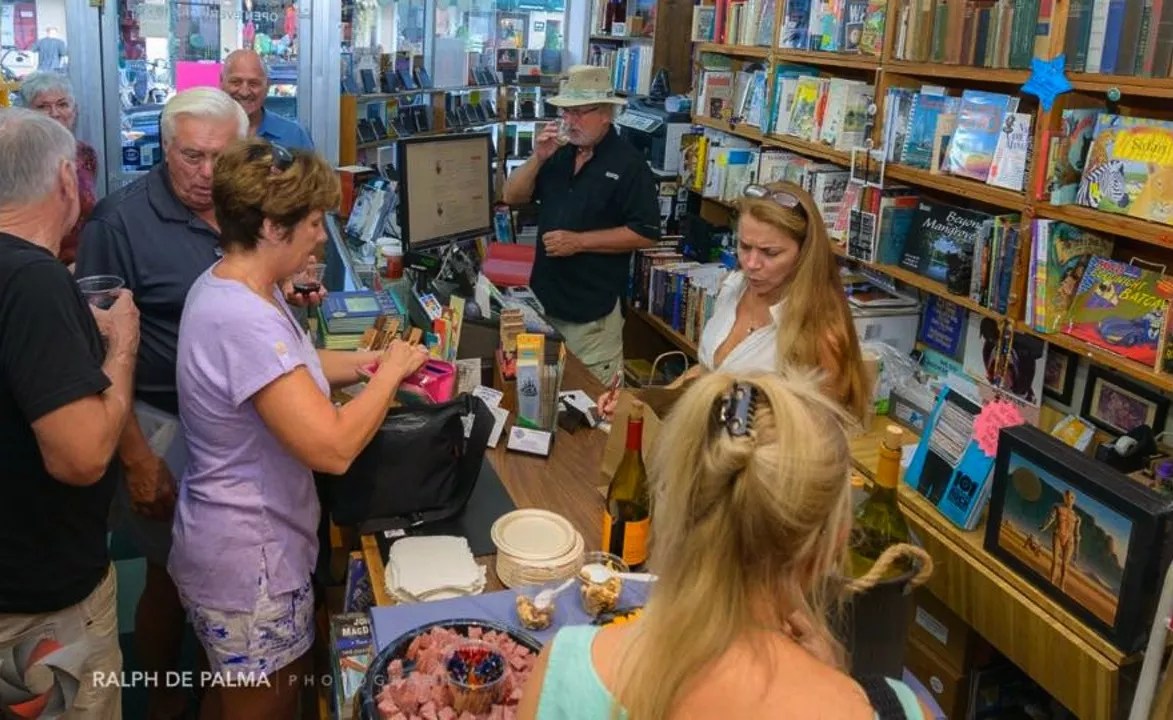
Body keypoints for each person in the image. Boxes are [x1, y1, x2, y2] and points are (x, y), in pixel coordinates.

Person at [171, 139, 428, 719]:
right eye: (312, 222)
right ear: (270, 227)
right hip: (249, 564)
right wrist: (388, 377)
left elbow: (294, 369)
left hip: (237, 544)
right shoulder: (242, 318)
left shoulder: (236, 284)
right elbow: (333, 447)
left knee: (233, 694)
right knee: (267, 704)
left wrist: (367, 365)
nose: (320, 234)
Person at [519, 371, 931, 720]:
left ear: (674, 507)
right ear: (830, 548)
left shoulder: (565, 671)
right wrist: (838, 682)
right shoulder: (899, 709)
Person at [75, 87, 274, 720]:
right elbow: (94, 360)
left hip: (242, 428)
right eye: (191, 156)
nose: (207, 173)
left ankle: (221, 692)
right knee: (168, 579)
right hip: (162, 428)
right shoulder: (118, 222)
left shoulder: (244, 200)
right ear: (164, 148)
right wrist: (135, 458)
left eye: (222, 156)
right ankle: (163, 701)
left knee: (224, 580)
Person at [0, 107, 139, 719]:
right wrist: (122, 347)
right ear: (64, 179)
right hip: (40, 604)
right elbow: (81, 458)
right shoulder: (34, 282)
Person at [599, 181, 871, 423]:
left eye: (770, 252)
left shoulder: (822, 333)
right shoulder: (734, 288)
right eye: (744, 246)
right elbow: (708, 372)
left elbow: (819, 437)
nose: (751, 264)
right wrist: (641, 403)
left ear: (804, 254)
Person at [501, 64, 660, 383]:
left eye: (578, 112)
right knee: (540, 398)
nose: (569, 121)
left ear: (606, 113)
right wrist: (538, 158)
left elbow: (646, 233)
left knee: (590, 409)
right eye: (565, 112)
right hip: (545, 305)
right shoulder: (559, 153)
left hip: (592, 317)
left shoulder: (629, 165)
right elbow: (511, 196)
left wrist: (579, 241)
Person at [20, 72, 98, 267]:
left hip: (83, 263)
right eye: (42, 107)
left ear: (74, 110)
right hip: (33, 267)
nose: (54, 113)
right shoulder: (17, 158)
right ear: (27, 112)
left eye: (62, 104)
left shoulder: (84, 154)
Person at [220, 49, 313, 150]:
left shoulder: (295, 136)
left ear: (267, 86)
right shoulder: (205, 131)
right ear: (221, 82)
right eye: (236, 82)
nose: (244, 92)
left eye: (253, 84)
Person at [1041, 489, 1081, 591]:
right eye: (1067, 496)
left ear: (1074, 500)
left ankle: (1061, 588)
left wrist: (1076, 551)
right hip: (1058, 534)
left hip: (1069, 540)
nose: (1069, 499)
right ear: (1064, 497)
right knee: (1055, 561)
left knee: (1065, 565)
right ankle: (1051, 583)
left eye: (1071, 497)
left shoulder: (1076, 517)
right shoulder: (1058, 507)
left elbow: (1077, 534)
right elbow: (1051, 518)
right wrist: (1044, 527)